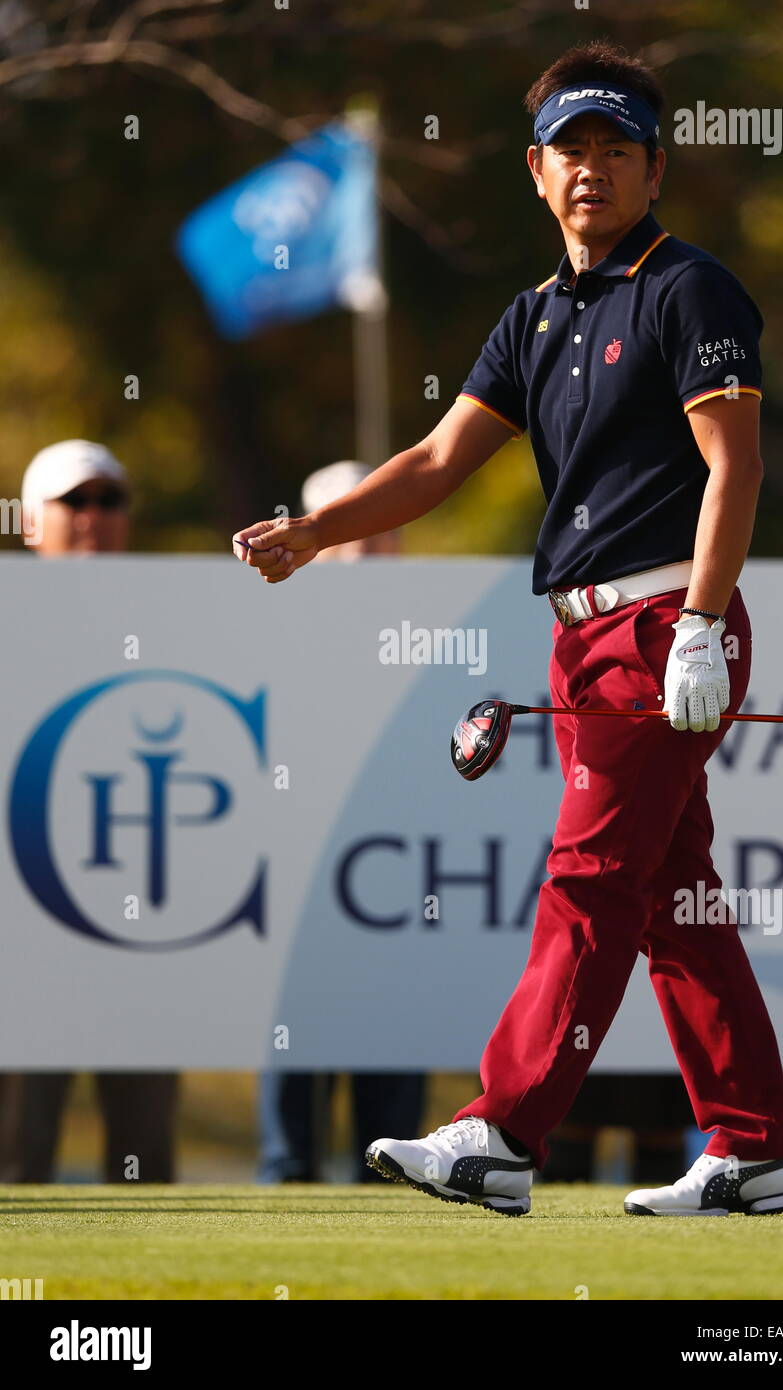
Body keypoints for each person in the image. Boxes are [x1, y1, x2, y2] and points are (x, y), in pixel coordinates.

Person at [232, 41, 783, 1219]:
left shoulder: (686, 288)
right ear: (536, 175)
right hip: (583, 635)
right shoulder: (535, 315)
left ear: (654, 171)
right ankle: (754, 1145)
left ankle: (500, 1130)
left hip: (663, 622)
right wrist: (314, 528)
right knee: (669, 895)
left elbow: (733, 464)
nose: (589, 170)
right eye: (568, 151)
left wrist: (701, 621)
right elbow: (439, 460)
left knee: (590, 879)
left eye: (614, 150)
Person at [0, 440, 179, 1183]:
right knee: (18, 1145)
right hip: (25, 914)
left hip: (145, 914)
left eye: (110, 501)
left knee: (146, 1147)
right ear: (31, 521)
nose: (94, 518)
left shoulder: (180, 624)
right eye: (75, 502)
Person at [257, 461, 426, 1184]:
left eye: (376, 527)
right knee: (295, 1086)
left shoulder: (433, 637)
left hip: (403, 888)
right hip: (301, 890)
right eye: (343, 528)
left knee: (390, 1102)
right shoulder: (275, 636)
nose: (362, 545)